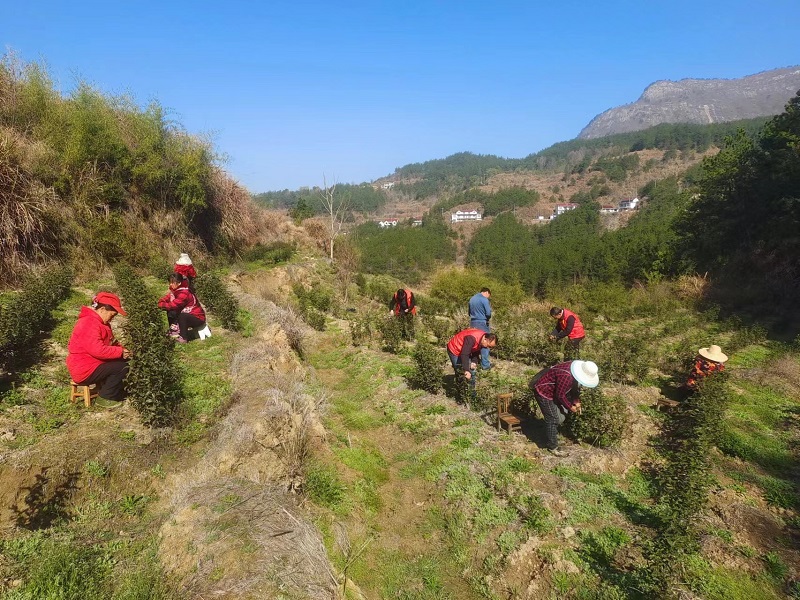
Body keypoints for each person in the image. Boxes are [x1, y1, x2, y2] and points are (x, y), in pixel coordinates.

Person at [66, 292, 131, 409]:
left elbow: (112, 342)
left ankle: (109, 390)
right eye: (112, 315)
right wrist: (119, 352)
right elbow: (98, 350)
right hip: (84, 368)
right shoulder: (89, 323)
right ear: (102, 309)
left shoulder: (102, 323)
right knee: (120, 367)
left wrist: (123, 350)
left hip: (92, 364)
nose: (112, 319)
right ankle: (106, 398)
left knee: (123, 362)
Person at [529, 359, 599, 457]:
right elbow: (560, 395)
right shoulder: (566, 376)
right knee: (552, 419)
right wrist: (570, 407)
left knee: (559, 418)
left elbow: (574, 387)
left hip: (554, 391)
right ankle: (552, 447)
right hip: (544, 392)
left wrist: (576, 400)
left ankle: (551, 434)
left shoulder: (574, 371)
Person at [446, 329, 498, 401]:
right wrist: (466, 370)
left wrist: (474, 361)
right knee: (460, 371)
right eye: (489, 346)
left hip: (464, 350)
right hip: (454, 349)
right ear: (485, 339)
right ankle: (460, 396)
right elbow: (464, 354)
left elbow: (475, 351)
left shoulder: (482, 338)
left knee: (472, 372)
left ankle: (472, 396)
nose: (487, 348)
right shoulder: (471, 338)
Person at [157, 273, 207, 343]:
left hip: (197, 317)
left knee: (182, 315)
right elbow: (162, 300)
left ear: (179, 283)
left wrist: (162, 305)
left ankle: (183, 338)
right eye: (170, 282)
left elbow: (173, 305)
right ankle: (174, 331)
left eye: (172, 283)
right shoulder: (174, 292)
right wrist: (161, 304)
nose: (171, 284)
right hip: (189, 315)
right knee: (171, 311)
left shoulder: (184, 293)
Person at [468, 288, 493, 369]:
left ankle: (473, 362)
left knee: (474, 342)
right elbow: (488, 313)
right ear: (486, 292)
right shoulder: (484, 299)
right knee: (485, 343)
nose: (488, 297)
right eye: (488, 295)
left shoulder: (472, 299)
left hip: (473, 322)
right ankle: (485, 365)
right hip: (482, 322)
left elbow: (469, 312)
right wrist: (487, 318)